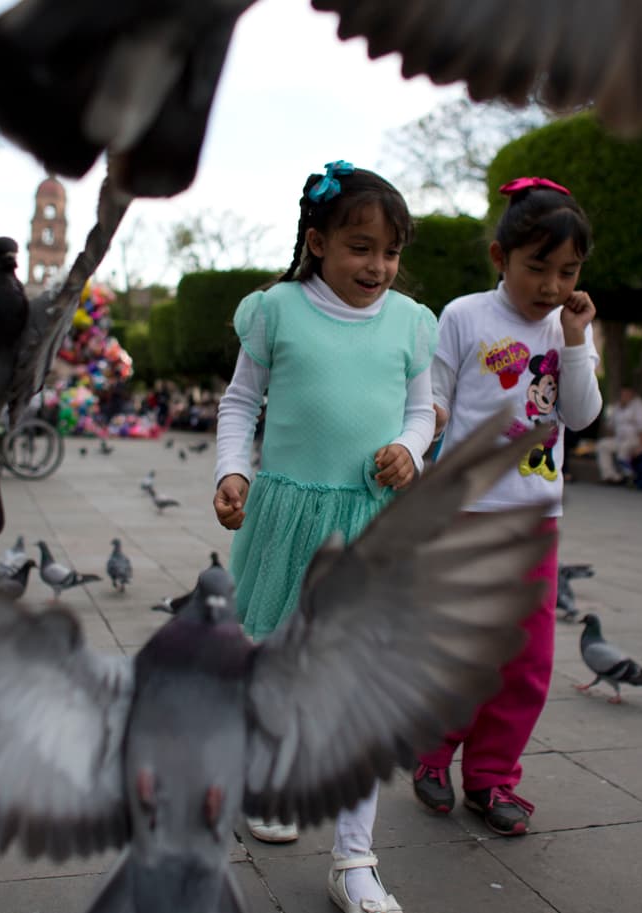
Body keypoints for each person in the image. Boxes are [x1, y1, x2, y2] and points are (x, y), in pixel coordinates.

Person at [211, 162, 437, 913]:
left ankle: (354, 856)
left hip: (370, 520)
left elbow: (422, 410)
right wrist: (231, 471)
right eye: (361, 247)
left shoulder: (409, 320)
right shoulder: (277, 309)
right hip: (289, 520)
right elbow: (241, 401)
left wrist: (412, 447)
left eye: (391, 252)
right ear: (317, 241)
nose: (378, 266)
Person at [413, 175, 601, 838]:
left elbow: (580, 413)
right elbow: (433, 397)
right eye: (537, 268)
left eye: (568, 270)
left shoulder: (568, 325)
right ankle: (432, 754)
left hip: (535, 518)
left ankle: (492, 777)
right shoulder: (464, 315)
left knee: (526, 658)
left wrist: (576, 341)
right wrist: (413, 443)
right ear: (500, 259)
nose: (551, 285)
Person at [595, 384, 642, 484]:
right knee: (602, 445)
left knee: (624, 447)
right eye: (623, 394)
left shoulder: (640, 407)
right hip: (620, 439)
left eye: (627, 394)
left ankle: (629, 476)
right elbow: (611, 426)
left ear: (632, 394)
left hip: (636, 440)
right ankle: (611, 476)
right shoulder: (617, 407)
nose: (624, 396)